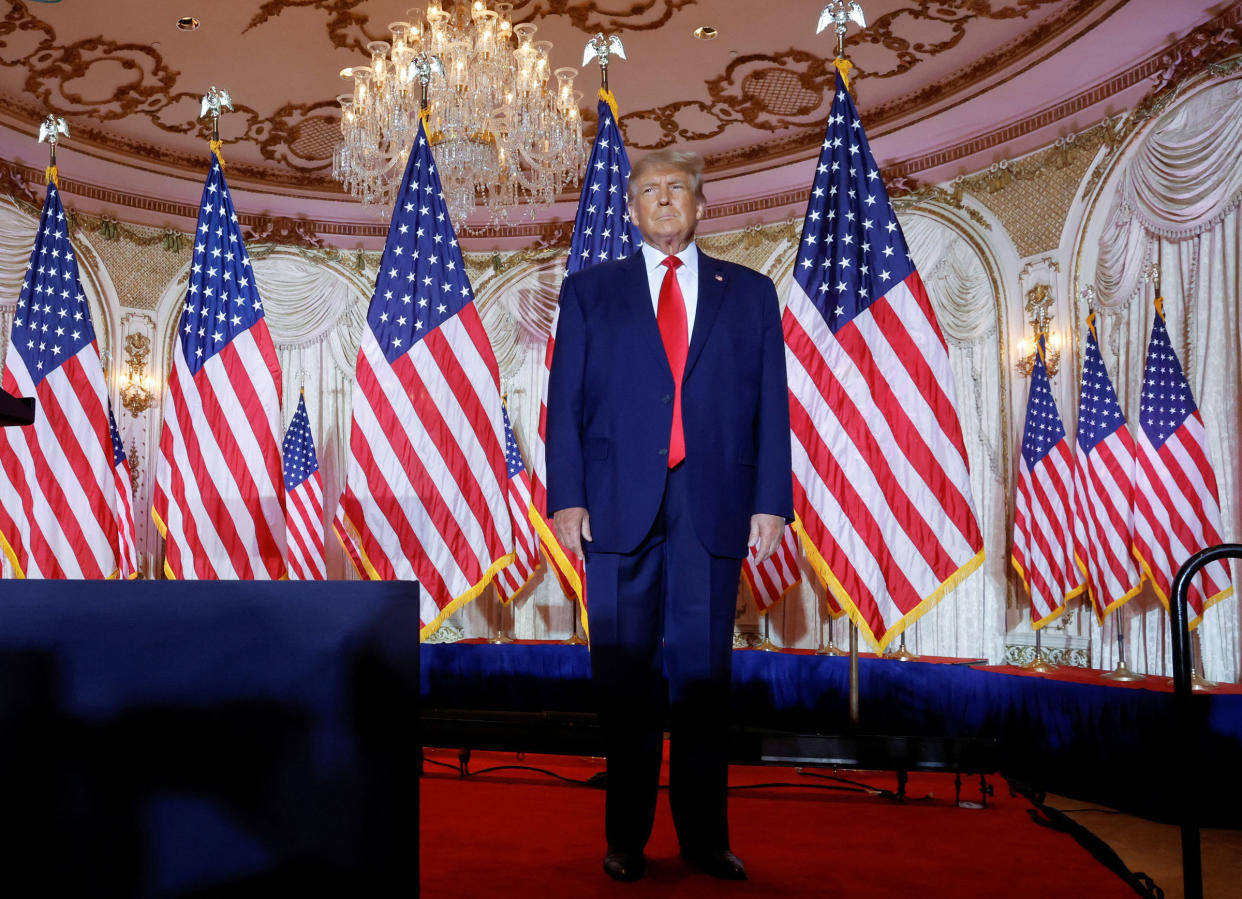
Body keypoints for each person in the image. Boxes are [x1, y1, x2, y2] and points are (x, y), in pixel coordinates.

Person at [546, 147, 793, 883]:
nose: (662, 200)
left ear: (700, 204)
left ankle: (704, 839)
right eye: (648, 190)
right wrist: (567, 495)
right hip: (616, 508)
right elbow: (566, 404)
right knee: (624, 678)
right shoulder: (590, 292)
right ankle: (626, 837)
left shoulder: (748, 294)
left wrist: (771, 500)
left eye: (676, 189)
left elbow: (770, 407)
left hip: (711, 505)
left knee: (702, 679)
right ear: (630, 208)